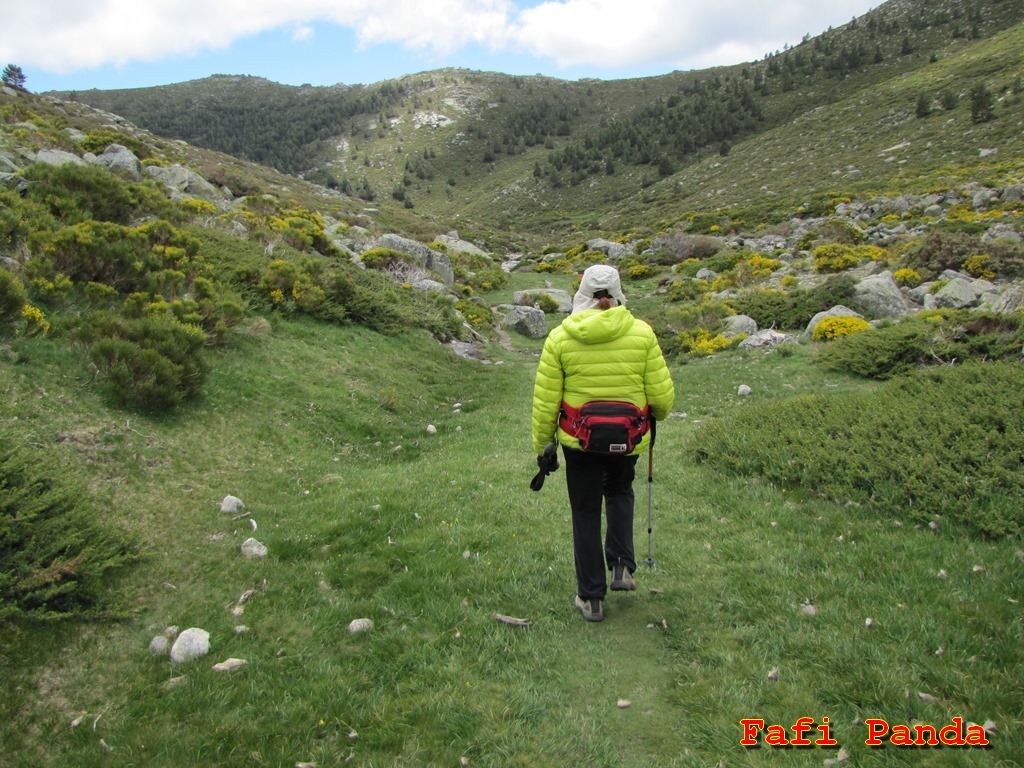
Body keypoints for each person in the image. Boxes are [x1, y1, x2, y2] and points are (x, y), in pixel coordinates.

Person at [531, 264, 675, 622]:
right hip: (627, 439)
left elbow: (546, 399)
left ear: (583, 294)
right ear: (618, 289)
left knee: (585, 511)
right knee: (620, 491)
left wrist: (542, 444)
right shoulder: (642, 333)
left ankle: (591, 598)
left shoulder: (560, 337)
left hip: (579, 442)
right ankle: (623, 565)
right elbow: (662, 401)